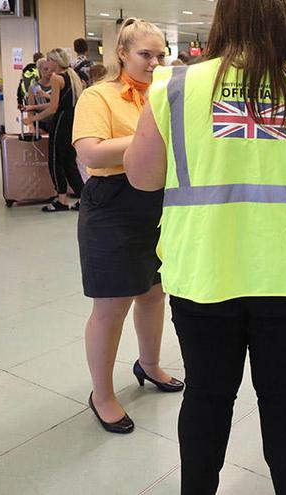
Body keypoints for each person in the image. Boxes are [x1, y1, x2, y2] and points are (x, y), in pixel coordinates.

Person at [125, 0, 286, 492]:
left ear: (221, 21)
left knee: (207, 395)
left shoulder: (177, 87)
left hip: (205, 267)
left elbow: (142, 177)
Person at [72, 18, 179, 437]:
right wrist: (149, 138)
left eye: (160, 55)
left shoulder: (166, 94)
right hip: (113, 204)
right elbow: (91, 154)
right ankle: (101, 394)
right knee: (112, 306)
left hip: (160, 202)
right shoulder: (100, 96)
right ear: (122, 53)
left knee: (154, 294)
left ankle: (149, 364)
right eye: (145, 55)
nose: (155, 63)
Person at [23, 48, 85, 212]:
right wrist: (34, 106)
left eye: (49, 60)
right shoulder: (72, 77)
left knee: (56, 161)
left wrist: (32, 118)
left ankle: (62, 199)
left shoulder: (57, 78)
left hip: (61, 123)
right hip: (73, 121)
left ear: (55, 62)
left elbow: (53, 108)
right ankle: (83, 197)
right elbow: (58, 103)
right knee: (69, 161)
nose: (47, 64)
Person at [25, 57, 54, 134]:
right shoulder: (33, 88)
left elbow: (58, 103)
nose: (49, 72)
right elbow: (30, 109)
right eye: (45, 69)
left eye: (51, 69)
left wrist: (47, 95)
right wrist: (31, 127)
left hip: (55, 121)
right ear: (39, 70)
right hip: (41, 123)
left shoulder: (57, 84)